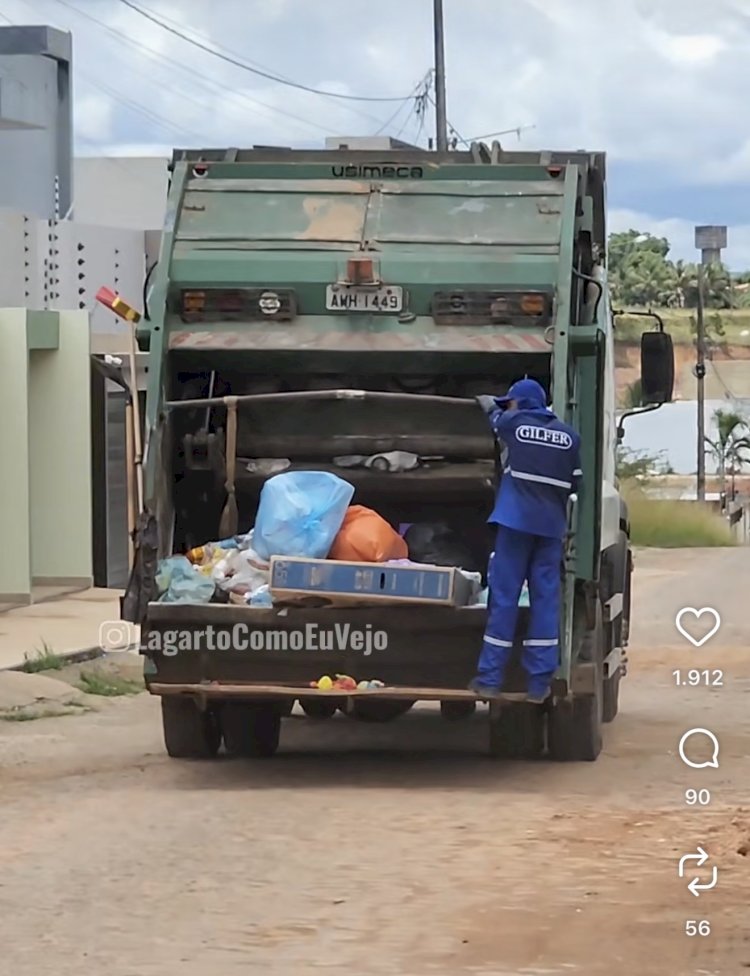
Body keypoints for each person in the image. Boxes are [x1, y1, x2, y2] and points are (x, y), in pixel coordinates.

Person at [469, 378, 582, 704]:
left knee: (504, 599)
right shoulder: (570, 437)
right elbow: (575, 486)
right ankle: (538, 685)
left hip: (515, 524)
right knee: (545, 601)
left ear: (520, 403)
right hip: (550, 529)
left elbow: (494, 418)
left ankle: (489, 680)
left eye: (512, 401)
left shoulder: (513, 423)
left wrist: (491, 403)